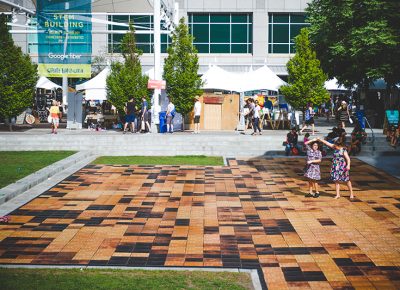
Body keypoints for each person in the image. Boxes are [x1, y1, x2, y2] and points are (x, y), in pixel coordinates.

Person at [318, 135, 354, 199]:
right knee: (336, 180)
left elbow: (348, 159)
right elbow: (327, 143)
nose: (335, 146)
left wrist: (348, 165)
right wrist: (320, 139)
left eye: (336, 146)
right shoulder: (334, 147)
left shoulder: (343, 150)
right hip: (335, 166)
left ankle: (351, 193)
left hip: (342, 166)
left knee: (347, 180)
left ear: (339, 145)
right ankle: (337, 194)